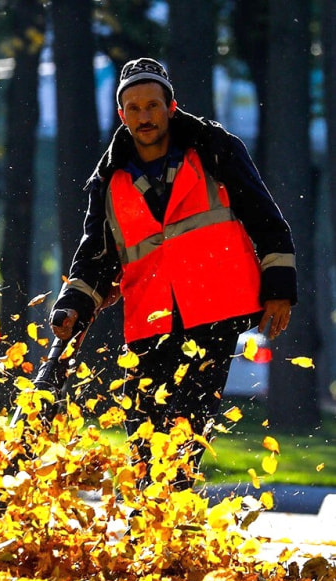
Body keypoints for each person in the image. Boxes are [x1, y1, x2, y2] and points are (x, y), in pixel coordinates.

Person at [48, 58, 297, 490]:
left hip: (212, 314)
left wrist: (279, 289)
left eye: (153, 106)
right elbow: (95, 253)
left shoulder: (215, 150)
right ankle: (155, 526)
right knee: (142, 429)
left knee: (185, 425)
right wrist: (73, 303)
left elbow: (265, 219)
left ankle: (170, 525)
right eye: (134, 108)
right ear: (122, 115)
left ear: (171, 107)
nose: (144, 117)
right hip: (149, 317)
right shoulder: (109, 179)